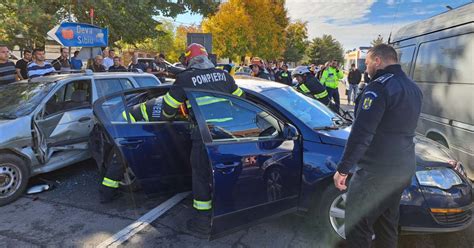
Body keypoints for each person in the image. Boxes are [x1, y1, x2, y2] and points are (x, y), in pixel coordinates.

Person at [333, 44, 422, 248]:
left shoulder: (379, 87)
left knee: (357, 225)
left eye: (368, 63)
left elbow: (362, 133)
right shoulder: (413, 87)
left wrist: (343, 169)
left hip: (376, 171)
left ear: (377, 61)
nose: (366, 69)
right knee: (387, 224)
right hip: (403, 168)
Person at [161, 43, 244, 235]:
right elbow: (242, 99)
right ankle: (228, 214)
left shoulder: (185, 78)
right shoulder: (224, 75)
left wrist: (173, 116)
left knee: (201, 178)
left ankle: (202, 222)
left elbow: (167, 110)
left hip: (204, 136)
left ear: (189, 60)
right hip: (229, 135)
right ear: (207, 58)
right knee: (226, 176)